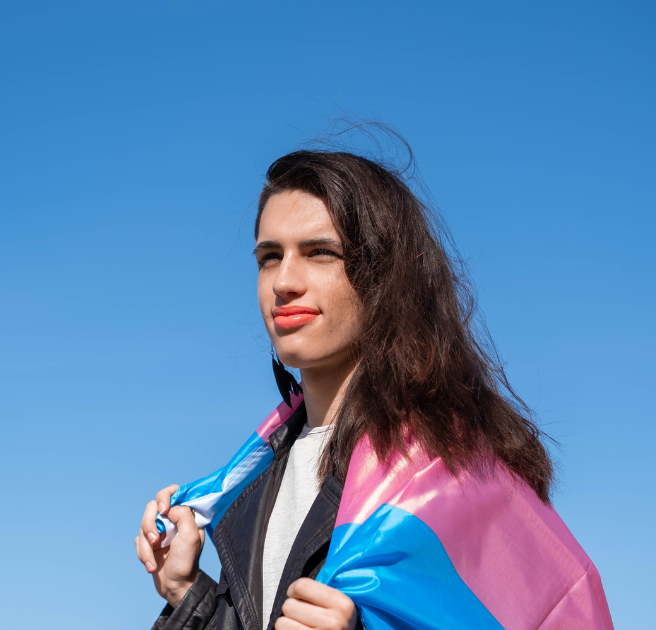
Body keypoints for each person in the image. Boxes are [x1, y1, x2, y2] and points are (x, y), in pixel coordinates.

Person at [135, 146, 613, 630]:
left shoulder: (456, 473)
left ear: (384, 277)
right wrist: (188, 595)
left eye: (320, 252)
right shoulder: (249, 486)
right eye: (269, 257)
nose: (283, 281)